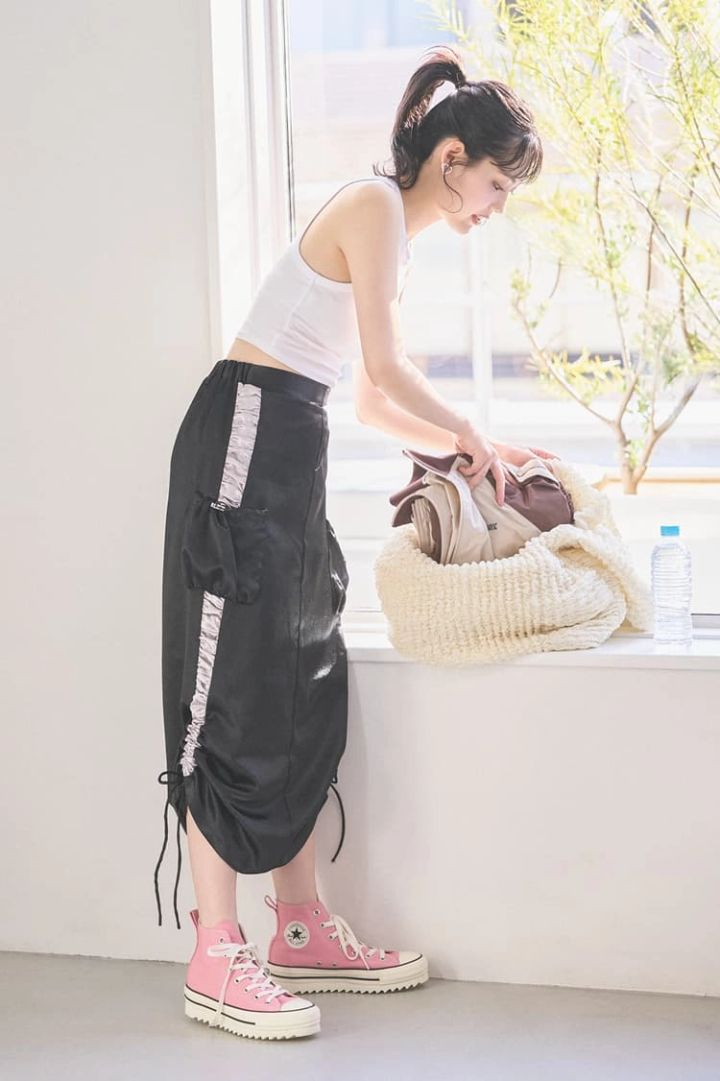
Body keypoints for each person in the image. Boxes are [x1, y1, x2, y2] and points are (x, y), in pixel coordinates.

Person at [154, 43, 558, 1042]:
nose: (495, 207)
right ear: (453, 158)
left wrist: (476, 448)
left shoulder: (395, 240)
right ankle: (216, 950)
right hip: (247, 432)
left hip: (293, 442)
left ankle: (298, 927)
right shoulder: (373, 206)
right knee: (229, 691)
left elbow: (372, 400)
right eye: (496, 185)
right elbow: (385, 368)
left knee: (301, 682)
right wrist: (467, 431)